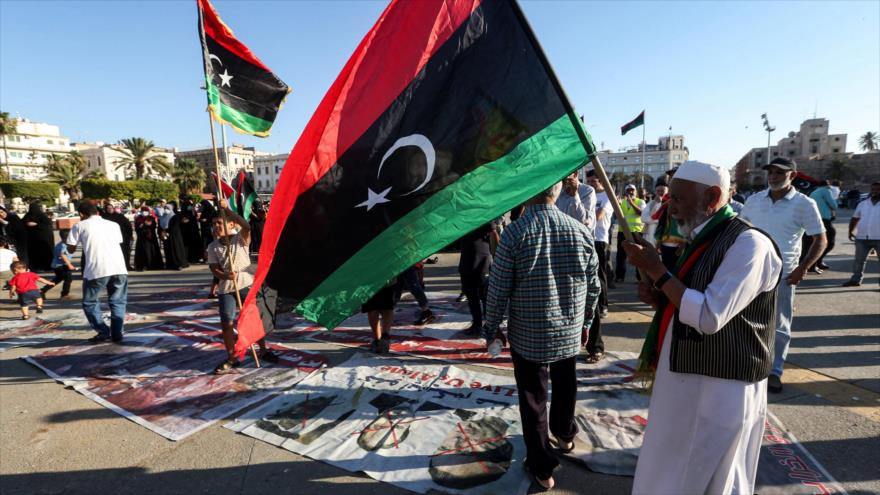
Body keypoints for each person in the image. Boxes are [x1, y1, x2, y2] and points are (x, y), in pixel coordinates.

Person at [623, 160, 782, 495]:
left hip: (721, 390)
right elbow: (688, 300)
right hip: (684, 381)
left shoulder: (748, 245)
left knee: (712, 477)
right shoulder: (703, 238)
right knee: (669, 469)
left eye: (679, 198)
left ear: (712, 197)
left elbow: (710, 315)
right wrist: (659, 297)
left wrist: (659, 273)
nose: (671, 206)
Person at [481, 182, 600, 490]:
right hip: (569, 330)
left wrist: (491, 326)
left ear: (529, 188)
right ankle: (564, 434)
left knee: (533, 400)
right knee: (565, 384)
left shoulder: (515, 233)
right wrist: (586, 321)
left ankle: (542, 467)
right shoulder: (579, 230)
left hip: (530, 333)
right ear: (557, 191)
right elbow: (594, 286)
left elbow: (497, 289)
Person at [740, 157, 826, 393]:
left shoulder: (804, 204)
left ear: (793, 176)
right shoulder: (755, 200)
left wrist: (803, 267)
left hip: (784, 274)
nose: (774, 176)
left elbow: (820, 238)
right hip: (751, 272)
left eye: (780, 173)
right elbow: (740, 229)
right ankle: (749, 363)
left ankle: (775, 371)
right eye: (771, 172)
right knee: (745, 320)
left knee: (779, 326)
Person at [207, 200, 277, 373]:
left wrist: (227, 209)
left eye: (219, 223)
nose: (216, 226)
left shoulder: (240, 238)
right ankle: (232, 357)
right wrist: (224, 275)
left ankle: (263, 349)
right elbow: (213, 268)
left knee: (253, 319)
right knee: (227, 323)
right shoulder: (213, 246)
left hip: (245, 283)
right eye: (214, 224)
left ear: (231, 224)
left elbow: (246, 225)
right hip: (227, 288)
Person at [66, 202, 129, 343]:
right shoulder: (113, 224)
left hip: (96, 270)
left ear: (81, 214)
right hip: (118, 267)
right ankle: (117, 333)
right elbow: (118, 241)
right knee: (118, 301)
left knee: (89, 302)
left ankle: (103, 331)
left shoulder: (79, 226)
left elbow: (70, 249)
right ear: (97, 212)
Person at [459, 222, 495, 334]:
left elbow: (494, 233)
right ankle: (477, 323)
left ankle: (490, 325)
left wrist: (497, 254)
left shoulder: (484, 214)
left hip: (482, 262)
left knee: (485, 297)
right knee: (471, 296)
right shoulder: (461, 216)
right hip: (466, 262)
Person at [843, 182, 880, 288]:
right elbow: (855, 218)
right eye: (873, 189)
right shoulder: (863, 204)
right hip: (862, 238)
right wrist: (850, 231)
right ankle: (855, 280)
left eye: (878, 189)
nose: (875, 191)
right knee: (859, 261)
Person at [614, 184, 645, 283]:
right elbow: (616, 215)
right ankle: (620, 277)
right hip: (622, 231)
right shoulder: (622, 202)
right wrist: (617, 204)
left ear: (636, 192)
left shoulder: (641, 201)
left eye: (632, 190)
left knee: (638, 254)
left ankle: (640, 278)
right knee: (621, 255)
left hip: (636, 232)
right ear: (626, 192)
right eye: (628, 190)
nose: (630, 192)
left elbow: (641, 213)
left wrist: (632, 203)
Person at [806, 180, 838, 272]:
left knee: (812, 243)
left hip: (812, 219)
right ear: (827, 185)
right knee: (829, 242)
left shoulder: (813, 192)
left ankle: (818, 262)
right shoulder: (826, 191)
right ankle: (815, 263)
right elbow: (834, 205)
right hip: (824, 219)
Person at [42, 229, 75, 300]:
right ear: (67, 238)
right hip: (61, 266)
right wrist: (69, 265)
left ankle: (42, 291)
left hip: (57, 266)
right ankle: (64, 295)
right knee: (68, 279)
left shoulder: (62, 244)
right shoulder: (63, 246)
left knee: (57, 279)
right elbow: (63, 256)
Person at [102, 201, 134, 271]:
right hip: (109, 239)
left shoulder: (120, 216)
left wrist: (130, 235)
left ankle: (126, 265)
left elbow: (128, 226)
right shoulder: (103, 218)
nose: (110, 209)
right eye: (108, 208)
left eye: (111, 208)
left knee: (125, 252)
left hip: (123, 238)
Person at [22, 202, 54, 271]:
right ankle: (35, 266)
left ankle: (47, 266)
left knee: (45, 252)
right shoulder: (27, 215)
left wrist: (36, 224)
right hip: (31, 239)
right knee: (33, 253)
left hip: (43, 239)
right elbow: (21, 224)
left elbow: (47, 226)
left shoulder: (42, 216)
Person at [161, 202, 189, 271]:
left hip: (175, 236)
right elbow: (160, 226)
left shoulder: (174, 216)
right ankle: (170, 264)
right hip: (166, 237)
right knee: (168, 250)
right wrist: (162, 232)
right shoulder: (163, 217)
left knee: (176, 250)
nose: (166, 210)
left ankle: (178, 264)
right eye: (165, 208)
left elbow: (175, 227)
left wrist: (167, 231)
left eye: (167, 208)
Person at [134, 206, 164, 271]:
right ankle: (143, 265)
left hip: (151, 238)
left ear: (148, 212)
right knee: (143, 252)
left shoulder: (151, 218)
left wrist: (149, 225)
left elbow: (153, 226)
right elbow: (137, 228)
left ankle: (153, 265)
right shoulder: (138, 219)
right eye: (143, 211)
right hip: (141, 238)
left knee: (152, 251)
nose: (144, 212)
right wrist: (143, 224)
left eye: (146, 211)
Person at [179, 200, 203, 264]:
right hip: (187, 233)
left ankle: (195, 258)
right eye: (188, 205)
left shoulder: (192, 213)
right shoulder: (184, 214)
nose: (190, 206)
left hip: (193, 233)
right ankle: (190, 259)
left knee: (194, 245)